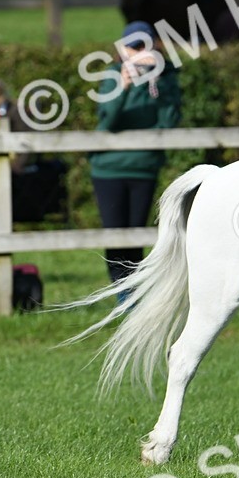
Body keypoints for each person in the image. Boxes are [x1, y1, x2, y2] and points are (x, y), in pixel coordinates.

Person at [90, 21, 183, 286]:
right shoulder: (112, 76)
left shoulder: (166, 78)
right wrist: (123, 86)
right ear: (123, 51)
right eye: (134, 46)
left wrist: (162, 84)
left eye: (146, 45)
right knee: (115, 236)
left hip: (144, 167)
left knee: (137, 236)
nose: (141, 51)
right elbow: (107, 123)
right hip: (109, 168)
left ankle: (133, 293)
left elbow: (168, 123)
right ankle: (121, 293)